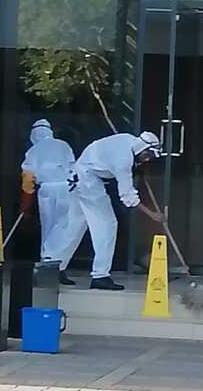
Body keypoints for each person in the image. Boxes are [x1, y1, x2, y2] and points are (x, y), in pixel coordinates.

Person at [49, 131, 163, 290]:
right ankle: (100, 276)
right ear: (142, 149)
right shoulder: (123, 161)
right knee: (107, 225)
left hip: (79, 175)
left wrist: (135, 167)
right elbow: (127, 196)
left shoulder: (128, 139)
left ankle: (54, 268)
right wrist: (152, 214)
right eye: (147, 156)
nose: (147, 160)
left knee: (75, 226)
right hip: (88, 181)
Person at [21, 119, 76, 269]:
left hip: (46, 189)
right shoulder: (64, 145)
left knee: (48, 225)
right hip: (66, 188)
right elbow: (73, 167)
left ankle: (47, 259)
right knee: (63, 226)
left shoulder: (33, 151)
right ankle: (58, 262)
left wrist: (25, 204)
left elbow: (28, 179)